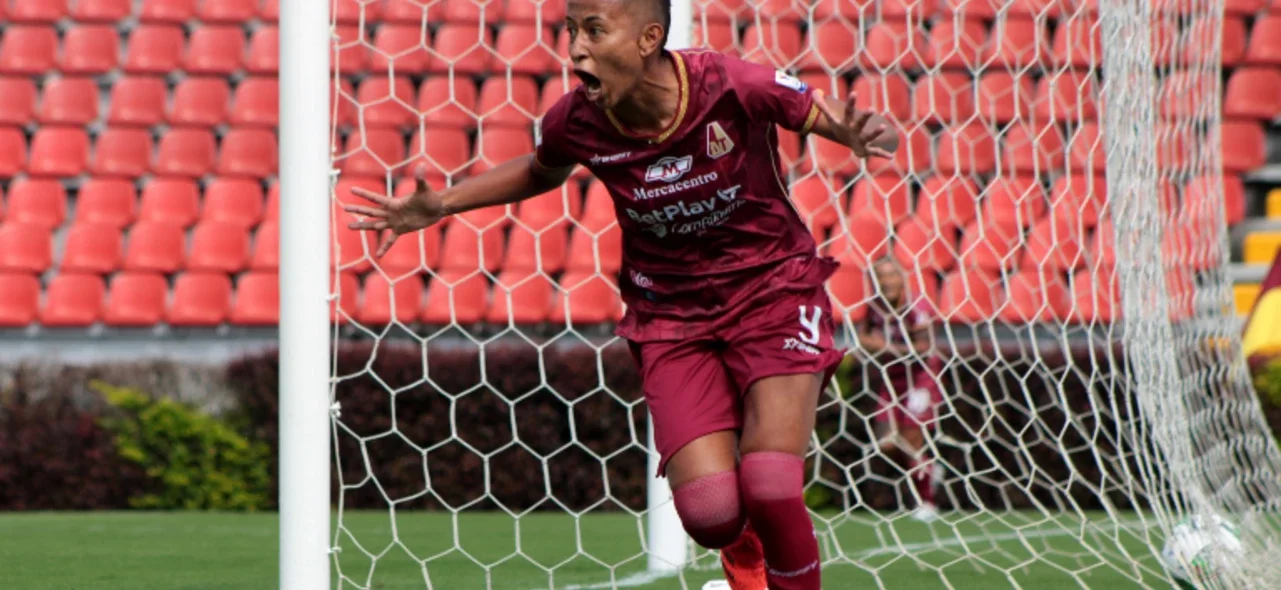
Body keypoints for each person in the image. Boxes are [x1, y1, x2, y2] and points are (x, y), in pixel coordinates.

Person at [343, 1, 899, 587]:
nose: (577, 48)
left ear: (648, 38)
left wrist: (860, 132)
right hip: (671, 317)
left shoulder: (729, 84)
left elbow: (823, 113)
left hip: (772, 292)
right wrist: (442, 204)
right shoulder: (576, 121)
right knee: (712, 515)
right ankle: (745, 556)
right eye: (571, 32)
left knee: (770, 483)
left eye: (594, 30)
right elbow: (540, 170)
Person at [856, 257, 943, 523]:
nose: (886, 281)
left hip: (919, 379)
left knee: (909, 440)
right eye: (880, 277)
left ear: (902, 278)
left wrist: (884, 348)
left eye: (891, 275)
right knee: (885, 444)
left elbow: (924, 348)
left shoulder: (916, 306)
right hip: (891, 380)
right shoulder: (875, 307)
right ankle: (929, 470)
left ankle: (927, 501)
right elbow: (863, 336)